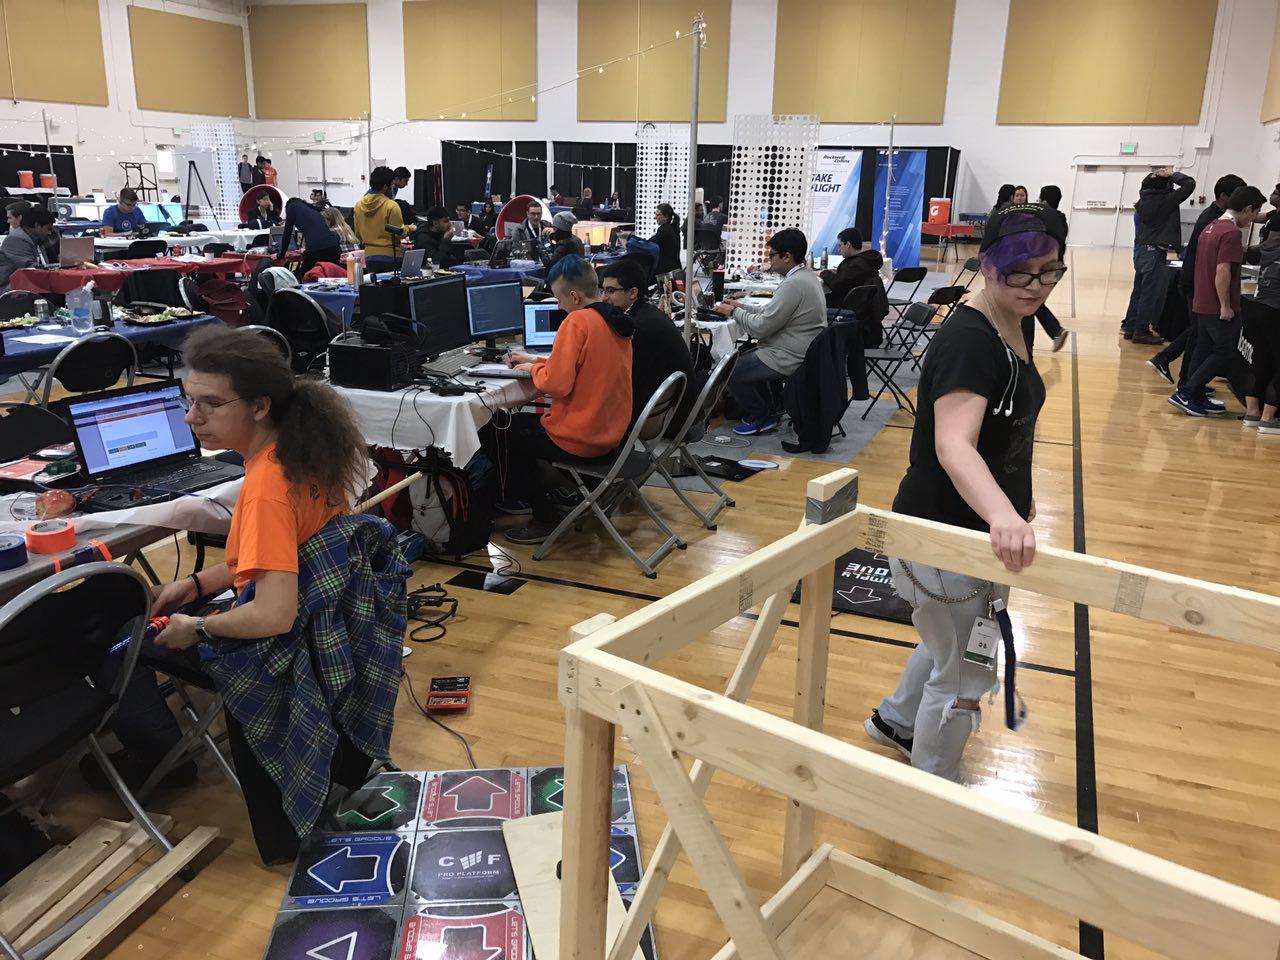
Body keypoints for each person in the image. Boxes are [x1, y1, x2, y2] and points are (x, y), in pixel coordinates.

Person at [138, 326, 400, 862]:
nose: (191, 418)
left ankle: (159, 762)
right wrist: (194, 584)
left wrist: (198, 627)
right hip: (328, 628)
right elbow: (277, 559)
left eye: (210, 404)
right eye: (189, 401)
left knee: (124, 642)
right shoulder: (302, 451)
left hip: (284, 639)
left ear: (260, 406)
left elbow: (274, 614)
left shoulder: (265, 490)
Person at [864, 206, 1065, 782]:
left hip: (969, 531)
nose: (1035, 286)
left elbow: (1006, 423)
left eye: (1049, 272)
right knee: (965, 674)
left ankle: (896, 721)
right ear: (987, 265)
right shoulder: (970, 341)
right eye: (1019, 272)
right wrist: (1003, 512)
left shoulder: (1017, 317)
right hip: (941, 537)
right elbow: (953, 444)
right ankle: (933, 788)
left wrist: (1015, 493)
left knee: (947, 642)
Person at [496, 256, 635, 544]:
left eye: (559, 300)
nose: (558, 307)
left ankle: (542, 515)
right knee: (519, 426)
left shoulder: (576, 321)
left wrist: (533, 370)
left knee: (503, 430)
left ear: (574, 297)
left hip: (579, 437)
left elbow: (556, 385)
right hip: (610, 434)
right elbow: (583, 366)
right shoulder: (614, 320)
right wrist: (536, 361)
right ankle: (567, 490)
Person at [712, 227, 826, 435]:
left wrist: (733, 312)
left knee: (729, 371)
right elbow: (772, 312)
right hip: (798, 348)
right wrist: (741, 307)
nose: (769, 260)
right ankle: (768, 412)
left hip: (788, 354)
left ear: (787, 257)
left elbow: (761, 327)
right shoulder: (806, 277)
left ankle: (761, 415)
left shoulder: (793, 284)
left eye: (772, 255)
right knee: (744, 359)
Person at [1170, 185, 1265, 417]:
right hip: (1217, 305)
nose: (1253, 219)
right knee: (1225, 351)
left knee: (1203, 349)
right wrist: (1225, 305)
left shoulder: (1211, 227)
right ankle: (1187, 392)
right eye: (1254, 213)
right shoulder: (1231, 233)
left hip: (1202, 301)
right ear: (1248, 209)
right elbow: (1222, 271)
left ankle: (1194, 393)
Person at [1149, 174, 1246, 386]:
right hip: (1196, 282)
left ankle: (1185, 378)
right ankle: (1185, 380)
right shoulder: (1214, 221)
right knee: (1199, 335)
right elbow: (1211, 261)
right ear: (1224, 196)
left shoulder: (1216, 218)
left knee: (1199, 333)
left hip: (1196, 280)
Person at [601, 258, 695, 435]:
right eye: (603, 290)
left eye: (611, 291)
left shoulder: (637, 327)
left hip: (663, 418)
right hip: (676, 409)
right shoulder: (648, 314)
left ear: (632, 293)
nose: (604, 297)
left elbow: (624, 380)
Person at [1124, 167, 1195, 344]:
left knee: (1139, 291)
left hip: (1141, 250)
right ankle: (1141, 331)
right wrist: (1173, 174)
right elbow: (1189, 184)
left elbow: (1146, 184)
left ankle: (1131, 327)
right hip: (1155, 252)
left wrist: (1154, 175)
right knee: (1150, 293)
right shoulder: (1166, 201)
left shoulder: (1142, 201)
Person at [1018, 188, 1070, 353]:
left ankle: (1028, 346)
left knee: (1028, 302)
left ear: (1045, 201)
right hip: (1056, 267)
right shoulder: (1061, 219)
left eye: (1040, 199)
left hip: (1042, 268)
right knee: (1033, 301)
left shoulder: (1041, 218)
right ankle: (1054, 331)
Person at [1244, 225, 1280, 432]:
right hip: (1275, 311)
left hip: (1258, 307)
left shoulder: (1268, 250)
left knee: (1261, 360)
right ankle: (1268, 418)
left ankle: (1252, 412)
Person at [354, 165, 408, 270]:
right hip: (391, 257)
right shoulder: (391, 205)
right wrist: (411, 228)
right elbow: (399, 233)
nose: (392, 188)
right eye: (391, 185)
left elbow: (358, 234)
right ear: (385, 187)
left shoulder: (358, 205)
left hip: (370, 257)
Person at [820, 227, 884, 309]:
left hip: (848, 306)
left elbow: (836, 284)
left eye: (840, 245)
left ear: (848, 245)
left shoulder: (857, 265)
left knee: (815, 300)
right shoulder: (867, 261)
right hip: (862, 306)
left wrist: (822, 273)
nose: (839, 249)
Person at [0, 207, 55, 291]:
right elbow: (30, 269)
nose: (49, 232)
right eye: (48, 228)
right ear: (37, 225)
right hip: (11, 289)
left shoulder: (36, 239)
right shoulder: (16, 239)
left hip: (28, 284)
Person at [280, 197, 340, 273]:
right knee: (331, 276)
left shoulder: (292, 206)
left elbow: (287, 233)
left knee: (304, 276)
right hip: (333, 247)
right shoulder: (312, 211)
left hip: (316, 249)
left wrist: (281, 255)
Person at [650, 203, 682, 275]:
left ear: (666, 217)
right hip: (674, 267)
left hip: (666, 270)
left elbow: (651, 244)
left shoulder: (664, 230)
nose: (655, 217)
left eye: (658, 215)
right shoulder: (671, 228)